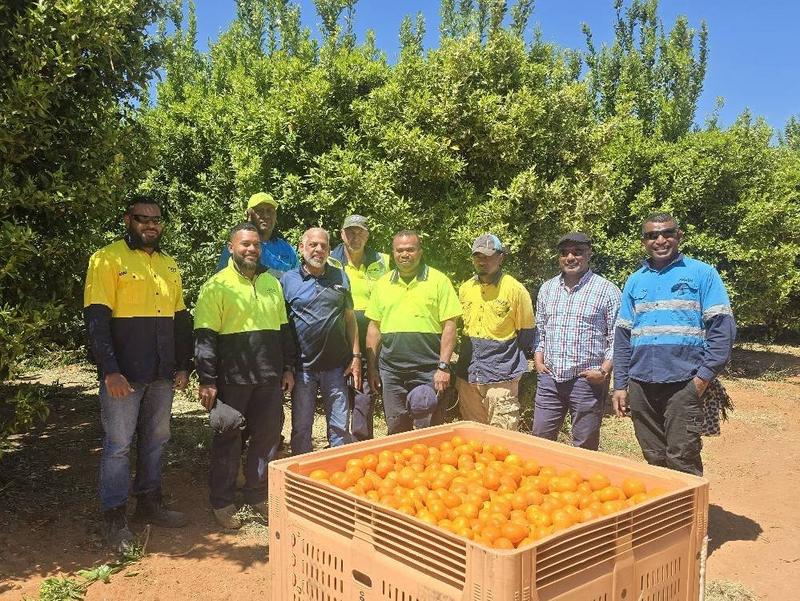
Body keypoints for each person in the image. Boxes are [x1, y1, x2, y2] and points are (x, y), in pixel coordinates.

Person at [84, 196, 191, 551]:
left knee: (157, 439)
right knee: (118, 445)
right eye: (143, 218)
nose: (150, 225)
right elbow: (97, 321)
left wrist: (183, 365)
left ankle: (149, 502)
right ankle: (114, 517)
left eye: (156, 220)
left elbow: (180, 320)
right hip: (124, 376)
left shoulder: (169, 264)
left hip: (161, 373)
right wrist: (110, 371)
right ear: (128, 219)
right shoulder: (106, 259)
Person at [612, 213, 736, 476]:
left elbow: (722, 330)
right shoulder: (635, 280)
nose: (660, 240)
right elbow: (623, 337)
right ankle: (666, 503)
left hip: (684, 383)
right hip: (640, 384)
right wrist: (620, 385)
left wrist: (701, 380)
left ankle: (691, 505)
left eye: (667, 233)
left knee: (682, 456)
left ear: (679, 236)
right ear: (644, 241)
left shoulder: (702, 274)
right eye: (652, 235)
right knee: (654, 456)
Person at [194, 222, 296, 529]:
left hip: (269, 378)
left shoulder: (271, 283)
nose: (251, 249)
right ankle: (222, 502)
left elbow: (284, 330)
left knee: (267, 438)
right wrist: (207, 380)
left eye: (255, 244)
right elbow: (204, 337)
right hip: (232, 380)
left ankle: (257, 494)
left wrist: (288, 368)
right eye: (245, 244)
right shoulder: (216, 286)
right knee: (228, 438)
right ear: (231, 248)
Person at [365, 230, 462, 434]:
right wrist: (372, 368)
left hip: (428, 370)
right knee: (396, 428)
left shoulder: (439, 281)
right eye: (399, 250)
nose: (404, 254)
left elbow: (450, 325)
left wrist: (443, 367)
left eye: (410, 249)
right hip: (392, 372)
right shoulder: (382, 284)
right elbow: (374, 328)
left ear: (420, 252)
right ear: (393, 253)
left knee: (429, 429)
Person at [532, 232, 621, 450]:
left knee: (584, 445)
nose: (570, 257)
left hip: (587, 381)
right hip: (550, 378)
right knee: (540, 441)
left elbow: (617, 337)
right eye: (565, 253)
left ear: (589, 254)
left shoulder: (607, 290)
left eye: (577, 252)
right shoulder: (547, 288)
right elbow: (541, 329)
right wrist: (538, 358)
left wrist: (604, 371)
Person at [281, 228, 360, 454]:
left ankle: (338, 469)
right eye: (313, 245)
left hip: (336, 367)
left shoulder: (340, 277)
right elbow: (282, 326)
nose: (318, 250)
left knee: (340, 428)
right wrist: (286, 367)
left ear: (329, 250)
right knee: (301, 429)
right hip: (302, 369)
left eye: (324, 246)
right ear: (301, 248)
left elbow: (350, 319)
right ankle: (302, 471)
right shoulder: (287, 280)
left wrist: (356, 356)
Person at [455, 234, 534, 430]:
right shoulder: (465, 288)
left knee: (502, 435)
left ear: (500, 258)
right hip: (469, 374)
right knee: (473, 435)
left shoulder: (515, 290)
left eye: (488, 256)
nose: (483, 261)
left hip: (501, 375)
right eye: (478, 256)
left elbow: (526, 335)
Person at [328, 214, 389, 440]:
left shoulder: (383, 261)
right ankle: (339, 443)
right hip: (337, 335)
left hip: (371, 336)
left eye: (360, 232)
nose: (355, 237)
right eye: (350, 232)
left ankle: (361, 442)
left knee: (364, 391)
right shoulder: (329, 260)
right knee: (338, 391)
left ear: (367, 235)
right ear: (341, 235)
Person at [216, 192, 299, 278]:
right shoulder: (238, 247)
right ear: (249, 215)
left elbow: (298, 280)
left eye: (270, 210)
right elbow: (222, 279)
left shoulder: (287, 249)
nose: (266, 215)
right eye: (260, 211)